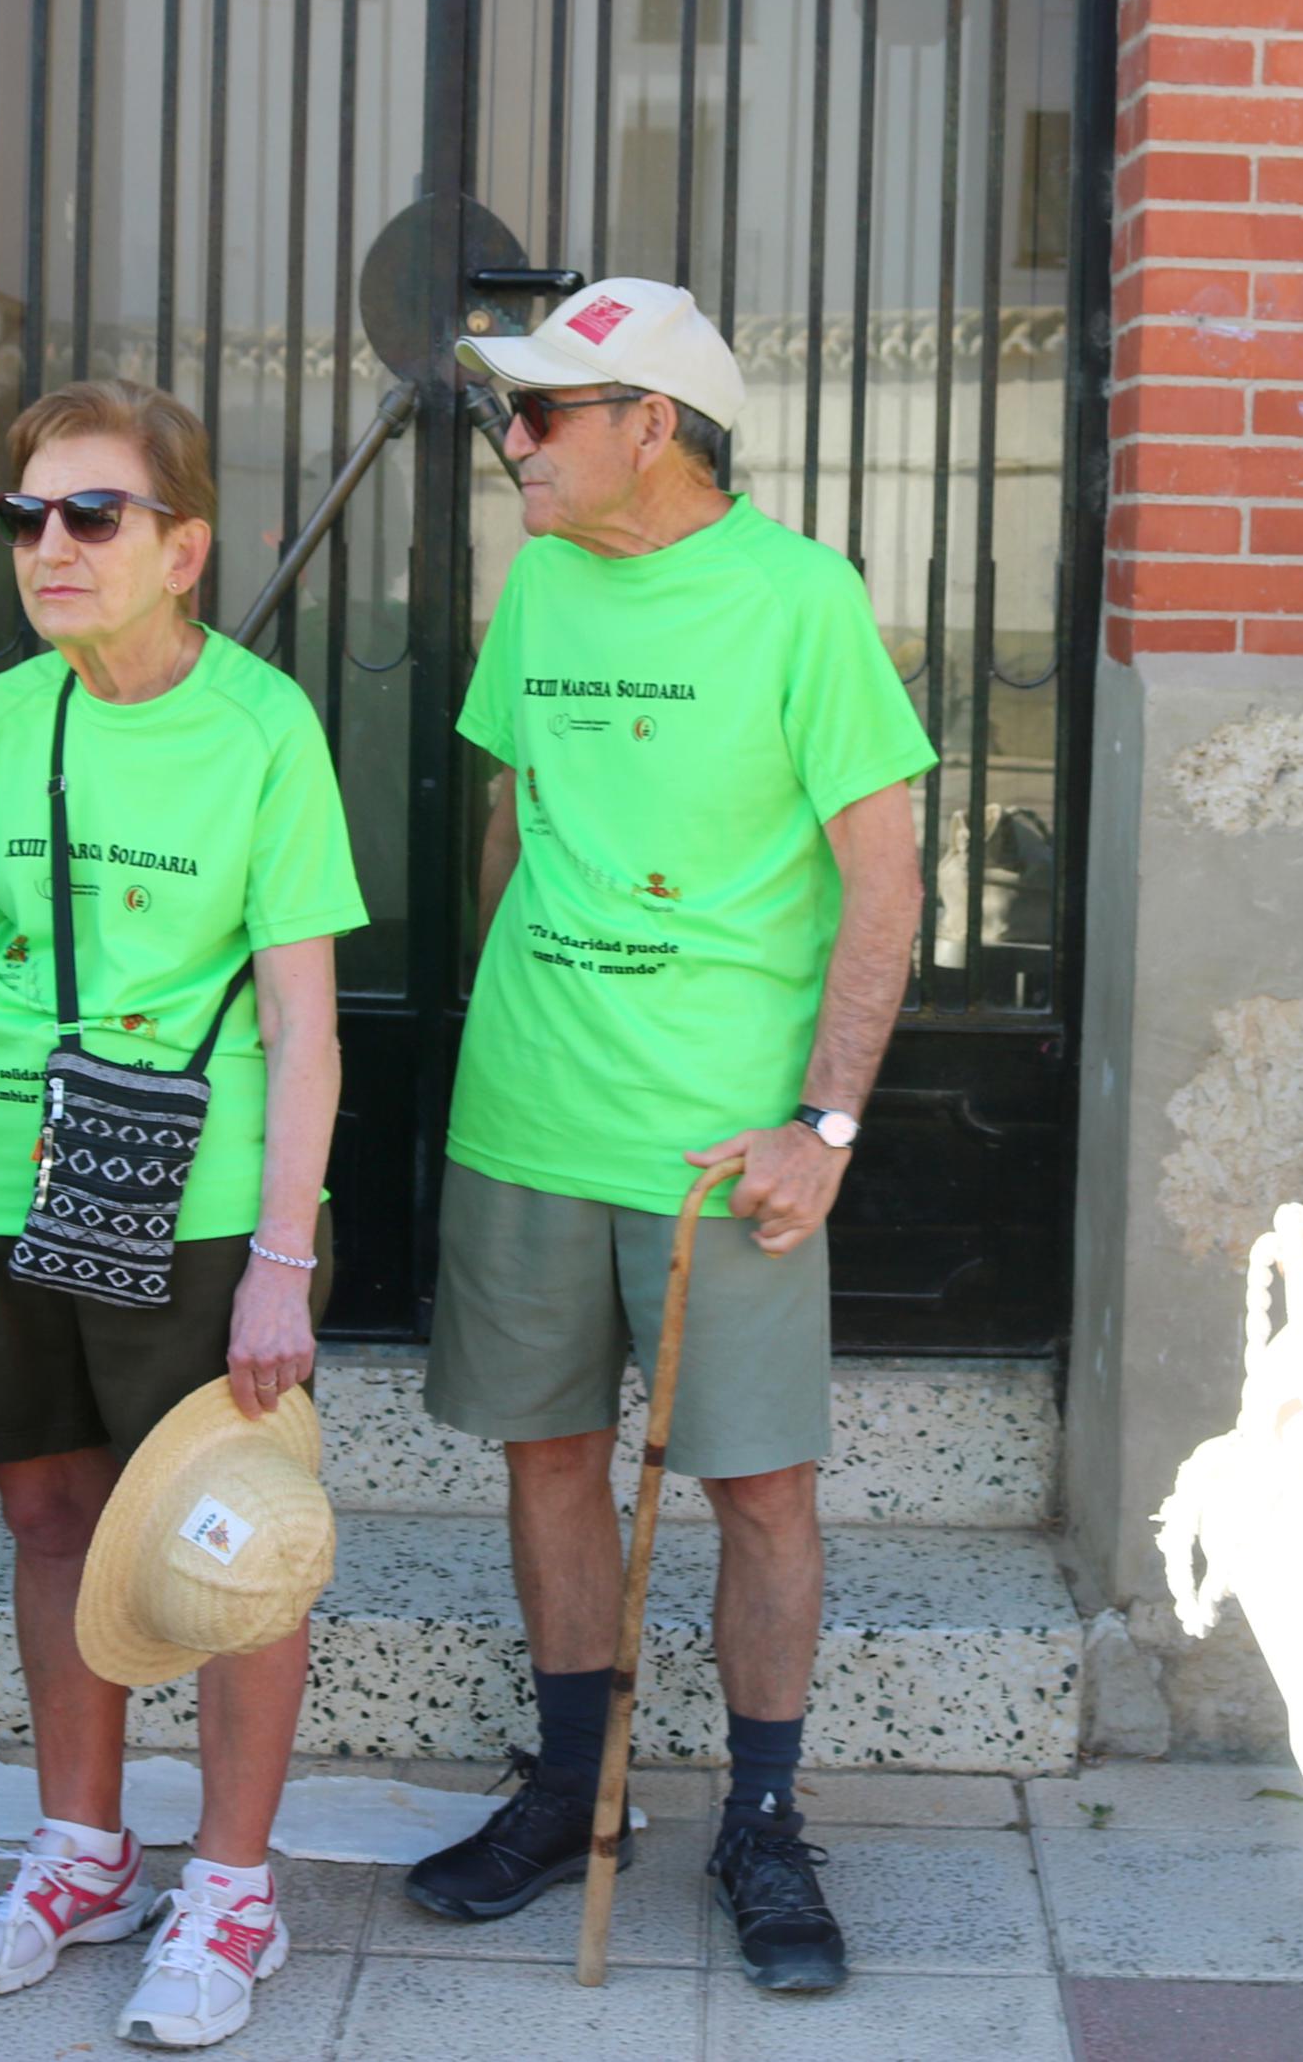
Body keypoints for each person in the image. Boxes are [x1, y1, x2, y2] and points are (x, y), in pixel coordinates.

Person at [399, 278, 931, 1996]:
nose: (513, 443)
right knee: (544, 1455)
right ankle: (573, 1789)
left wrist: (823, 1124)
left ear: (654, 427)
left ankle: (764, 1824)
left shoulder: (800, 600)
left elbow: (885, 879)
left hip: (721, 1153)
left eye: (544, 413)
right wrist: (490, 1039)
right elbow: (509, 819)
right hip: (528, 1119)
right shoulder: (534, 580)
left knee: (760, 1494)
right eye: (508, 412)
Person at [0, 379, 366, 2051]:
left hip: (197, 1202)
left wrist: (283, 1257)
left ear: (185, 547)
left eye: (93, 516)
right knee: (48, 1524)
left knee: (229, 1551)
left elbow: (303, 1015)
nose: (49, 546)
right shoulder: (6, 718)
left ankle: (229, 1887)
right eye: (25, 517)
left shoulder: (264, 728)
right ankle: (78, 1846)